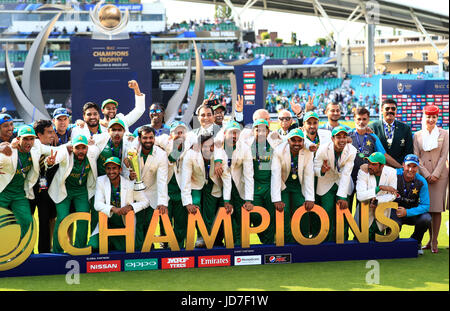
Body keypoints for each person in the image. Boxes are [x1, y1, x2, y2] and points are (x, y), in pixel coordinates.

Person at [46, 135, 100, 253]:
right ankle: (57, 250)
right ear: (72, 148)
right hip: (64, 189)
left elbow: (101, 141)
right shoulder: (66, 154)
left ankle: (79, 248)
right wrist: (51, 162)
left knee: (84, 217)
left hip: (82, 191)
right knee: (62, 218)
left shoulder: (92, 152)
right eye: (77, 148)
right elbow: (57, 157)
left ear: (87, 148)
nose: (81, 151)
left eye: (83, 148)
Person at [181, 134, 232, 248]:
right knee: (196, 204)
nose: (208, 149)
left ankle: (208, 238)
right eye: (205, 146)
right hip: (196, 183)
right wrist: (188, 202)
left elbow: (227, 179)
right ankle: (200, 236)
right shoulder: (190, 155)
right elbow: (185, 179)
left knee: (209, 213)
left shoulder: (221, 155)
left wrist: (227, 200)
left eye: (211, 146)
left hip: (212, 184)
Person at [89, 157, 149, 252]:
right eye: (108, 168)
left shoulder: (129, 183)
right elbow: (97, 204)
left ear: (120, 170)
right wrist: (113, 209)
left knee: (126, 250)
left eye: (114, 168)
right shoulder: (101, 180)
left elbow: (145, 202)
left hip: (124, 224)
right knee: (94, 245)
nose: (111, 171)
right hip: (107, 224)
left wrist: (130, 207)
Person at [156, 121, 197, 249]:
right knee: (165, 220)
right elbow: (149, 139)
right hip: (166, 190)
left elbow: (194, 137)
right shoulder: (164, 141)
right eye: (176, 132)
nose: (179, 135)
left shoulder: (190, 142)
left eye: (182, 132)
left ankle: (179, 248)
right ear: (170, 135)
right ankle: (165, 244)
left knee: (181, 223)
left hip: (181, 191)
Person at [413, 105, 449, 253]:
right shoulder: (417, 135)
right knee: (427, 209)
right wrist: (427, 174)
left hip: (440, 176)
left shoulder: (444, 134)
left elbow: (444, 156)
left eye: (434, 117)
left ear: (437, 118)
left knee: (437, 210)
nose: (431, 119)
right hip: (423, 177)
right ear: (424, 117)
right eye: (428, 116)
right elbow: (417, 157)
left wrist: (436, 173)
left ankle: (434, 241)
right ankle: (428, 240)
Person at [271, 128, 315, 242]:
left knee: (303, 208)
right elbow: (275, 175)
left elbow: (309, 175)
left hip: (298, 185)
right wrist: (276, 199)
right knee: (283, 211)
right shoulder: (279, 151)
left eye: (299, 141)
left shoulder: (307, 152)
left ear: (303, 141)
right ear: (288, 141)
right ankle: (286, 241)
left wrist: (310, 198)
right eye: (293, 140)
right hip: (283, 184)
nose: (296, 143)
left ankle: (304, 239)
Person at [314, 126, 356, 242]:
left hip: (343, 183)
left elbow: (346, 173)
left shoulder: (351, 150)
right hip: (325, 182)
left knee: (343, 213)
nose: (342, 140)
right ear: (332, 138)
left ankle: (342, 242)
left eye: (344, 137)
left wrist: (342, 196)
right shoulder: (323, 149)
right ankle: (326, 243)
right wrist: (321, 170)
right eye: (338, 137)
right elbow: (315, 168)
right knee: (326, 212)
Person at [129, 126, 169, 250]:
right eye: (145, 138)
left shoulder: (161, 154)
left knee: (149, 223)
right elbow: (126, 173)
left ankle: (149, 249)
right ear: (139, 139)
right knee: (138, 223)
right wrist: (130, 176)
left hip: (152, 191)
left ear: (154, 139)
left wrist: (162, 202)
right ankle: (138, 250)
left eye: (151, 138)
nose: (148, 140)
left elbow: (162, 180)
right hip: (135, 192)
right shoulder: (132, 151)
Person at [0, 126, 43, 238]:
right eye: (25, 139)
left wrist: (69, 146)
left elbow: (56, 150)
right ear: (18, 139)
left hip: (19, 193)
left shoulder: (35, 149)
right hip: (3, 192)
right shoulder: (8, 150)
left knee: (26, 221)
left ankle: (19, 249)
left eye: (31, 139)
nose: (29, 142)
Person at [218, 121, 254, 247]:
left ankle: (240, 243)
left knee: (239, 214)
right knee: (223, 214)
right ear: (224, 133)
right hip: (219, 184)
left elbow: (249, 175)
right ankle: (226, 242)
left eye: (237, 133)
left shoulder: (244, 148)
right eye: (231, 133)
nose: (234, 136)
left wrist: (249, 199)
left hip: (237, 184)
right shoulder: (217, 146)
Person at [391, 154, 432, 254]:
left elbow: (426, 206)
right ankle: (393, 242)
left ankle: (416, 242)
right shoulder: (394, 175)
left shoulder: (421, 181)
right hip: (394, 211)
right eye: (408, 166)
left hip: (412, 213)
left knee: (426, 218)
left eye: (414, 166)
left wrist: (407, 212)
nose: (411, 169)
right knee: (392, 223)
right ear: (403, 165)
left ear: (417, 167)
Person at [28, 120, 58, 253]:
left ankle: (44, 252)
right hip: (29, 190)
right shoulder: (28, 147)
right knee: (27, 221)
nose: (53, 135)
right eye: (49, 132)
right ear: (39, 135)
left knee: (45, 221)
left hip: (46, 191)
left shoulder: (57, 149)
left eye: (53, 132)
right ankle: (25, 250)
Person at [355, 152, 398, 241]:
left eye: (374, 164)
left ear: (382, 166)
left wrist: (376, 201)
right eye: (369, 163)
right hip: (364, 215)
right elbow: (360, 196)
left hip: (382, 216)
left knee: (379, 249)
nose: (370, 166)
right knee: (360, 247)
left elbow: (393, 195)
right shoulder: (363, 172)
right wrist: (380, 188)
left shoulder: (392, 172)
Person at [369, 99, 414, 168]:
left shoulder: (405, 128)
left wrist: (400, 166)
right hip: (378, 168)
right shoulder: (372, 128)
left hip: (398, 169)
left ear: (396, 111)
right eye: (387, 109)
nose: (390, 111)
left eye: (393, 109)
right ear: (381, 110)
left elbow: (408, 151)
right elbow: (371, 150)